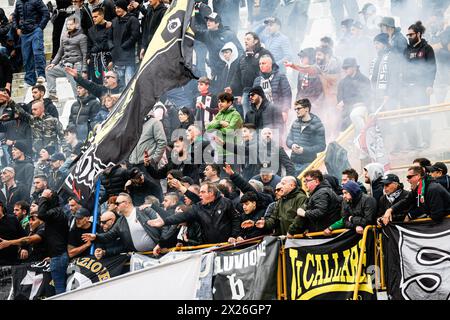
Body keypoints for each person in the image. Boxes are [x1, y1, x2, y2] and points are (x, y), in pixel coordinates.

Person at [147, 182, 241, 244]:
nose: (200, 195)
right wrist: (164, 221)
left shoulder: (226, 202)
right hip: (209, 248)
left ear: (211, 193)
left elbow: (236, 219)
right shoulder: (198, 207)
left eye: (203, 192)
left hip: (227, 245)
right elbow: (182, 216)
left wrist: (234, 236)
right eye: (199, 192)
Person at [82, 192, 169, 253]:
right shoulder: (120, 222)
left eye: (118, 203)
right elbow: (109, 236)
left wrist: (162, 244)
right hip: (140, 257)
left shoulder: (145, 210)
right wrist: (96, 237)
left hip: (157, 251)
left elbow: (164, 225)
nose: (116, 206)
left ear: (127, 203)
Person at [401, 21, 436, 150]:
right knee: (409, 116)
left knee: (423, 114)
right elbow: (403, 69)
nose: (409, 37)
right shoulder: (406, 51)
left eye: (411, 34)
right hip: (408, 89)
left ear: (419, 34)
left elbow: (432, 68)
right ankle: (413, 143)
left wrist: (429, 85)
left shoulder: (427, 49)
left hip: (422, 88)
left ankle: (426, 141)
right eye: (408, 35)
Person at [381, 166, 450, 224]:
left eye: (409, 177)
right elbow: (406, 201)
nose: (407, 180)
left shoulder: (433, 188)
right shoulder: (419, 188)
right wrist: (390, 210)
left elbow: (437, 216)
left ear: (418, 176)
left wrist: (411, 216)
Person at [229, 31, 273, 117]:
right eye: (244, 39)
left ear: (255, 41)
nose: (245, 41)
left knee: (262, 116)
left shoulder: (264, 53)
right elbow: (237, 75)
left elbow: (272, 69)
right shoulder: (243, 56)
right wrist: (233, 89)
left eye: (248, 39)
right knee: (248, 118)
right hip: (246, 92)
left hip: (261, 91)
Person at [46, 15, 88, 100]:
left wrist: (84, 70)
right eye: (67, 25)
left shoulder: (82, 37)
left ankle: (79, 99)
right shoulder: (64, 37)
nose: (68, 26)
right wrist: (53, 63)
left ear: (76, 25)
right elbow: (60, 52)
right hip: (64, 65)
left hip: (76, 66)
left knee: (75, 85)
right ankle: (52, 94)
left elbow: (85, 54)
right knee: (49, 71)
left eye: (71, 24)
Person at [195, 12, 243, 85]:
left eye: (211, 21)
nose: (208, 22)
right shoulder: (207, 34)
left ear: (217, 23)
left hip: (229, 72)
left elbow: (240, 51)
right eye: (207, 20)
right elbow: (194, 33)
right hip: (215, 72)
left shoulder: (229, 35)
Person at [37, 189, 69, 294]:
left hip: (58, 256)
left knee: (60, 290)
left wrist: (43, 197)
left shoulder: (56, 212)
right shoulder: (58, 212)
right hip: (57, 255)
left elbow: (41, 214)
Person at [12, 0, 50, 86]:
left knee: (38, 52)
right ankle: (30, 80)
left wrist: (40, 27)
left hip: (36, 31)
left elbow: (46, 13)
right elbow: (15, 16)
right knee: (26, 57)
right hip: (24, 33)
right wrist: (17, 28)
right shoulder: (18, 2)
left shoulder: (37, 0)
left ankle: (42, 76)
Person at [287, 99, 326, 176]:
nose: (296, 111)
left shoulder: (317, 124)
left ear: (306, 109)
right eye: (295, 109)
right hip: (293, 162)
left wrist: (304, 150)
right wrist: (292, 145)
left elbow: (322, 146)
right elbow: (288, 140)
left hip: (308, 164)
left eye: (298, 108)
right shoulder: (295, 123)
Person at [336, 57, 372, 134]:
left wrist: (345, 102)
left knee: (355, 115)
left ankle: (365, 138)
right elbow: (339, 97)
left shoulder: (364, 80)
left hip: (361, 109)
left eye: (347, 67)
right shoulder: (342, 82)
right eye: (344, 68)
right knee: (341, 130)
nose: (345, 70)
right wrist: (340, 103)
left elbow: (366, 98)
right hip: (346, 112)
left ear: (354, 67)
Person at [252, 54, 292, 123]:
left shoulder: (280, 76)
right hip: (262, 114)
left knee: (277, 133)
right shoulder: (257, 80)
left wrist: (285, 111)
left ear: (270, 64)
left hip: (278, 113)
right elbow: (252, 98)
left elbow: (287, 94)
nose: (261, 65)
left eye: (264, 63)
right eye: (260, 64)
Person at [206, 92, 243, 162]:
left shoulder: (235, 115)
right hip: (220, 153)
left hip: (232, 153)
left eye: (222, 102)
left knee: (232, 173)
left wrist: (217, 128)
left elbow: (229, 131)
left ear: (230, 103)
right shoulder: (219, 115)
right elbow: (208, 128)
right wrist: (220, 123)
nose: (219, 103)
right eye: (219, 101)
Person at [128, 108, 167, 172]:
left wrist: (154, 160)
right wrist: (130, 159)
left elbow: (162, 142)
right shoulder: (135, 124)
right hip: (133, 164)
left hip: (147, 165)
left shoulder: (155, 122)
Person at [111, 0, 140, 85]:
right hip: (117, 58)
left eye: (119, 7)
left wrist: (123, 46)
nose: (116, 10)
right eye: (115, 8)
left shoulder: (133, 19)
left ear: (124, 8)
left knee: (129, 85)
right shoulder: (114, 21)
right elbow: (109, 37)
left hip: (128, 58)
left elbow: (135, 36)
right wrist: (112, 48)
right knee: (120, 85)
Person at [369, 33, 401, 109]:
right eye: (374, 44)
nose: (375, 46)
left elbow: (394, 77)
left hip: (388, 96)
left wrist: (389, 94)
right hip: (377, 96)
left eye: (378, 43)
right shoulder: (376, 59)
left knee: (390, 118)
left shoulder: (392, 57)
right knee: (379, 119)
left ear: (385, 44)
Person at [87, 7, 113, 85]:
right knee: (96, 83)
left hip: (107, 59)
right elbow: (89, 45)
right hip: (94, 60)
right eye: (93, 17)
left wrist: (112, 60)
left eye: (96, 17)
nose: (94, 19)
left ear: (102, 16)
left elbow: (110, 43)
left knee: (108, 82)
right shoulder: (91, 30)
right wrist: (88, 57)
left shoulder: (110, 27)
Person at [0, 199, 27, 265]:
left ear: (1, 206)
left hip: (13, 260)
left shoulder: (12, 219)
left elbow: (24, 235)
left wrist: (24, 248)